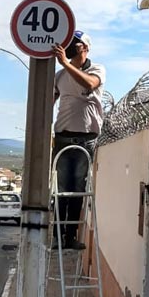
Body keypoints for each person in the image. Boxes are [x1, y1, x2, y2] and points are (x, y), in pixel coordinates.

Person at [51, 30, 106, 250]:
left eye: (77, 43)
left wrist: (65, 62)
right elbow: (50, 99)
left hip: (86, 139)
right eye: (70, 43)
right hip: (63, 136)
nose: (73, 46)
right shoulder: (60, 75)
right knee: (61, 189)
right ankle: (57, 237)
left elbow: (89, 84)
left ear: (86, 47)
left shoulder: (97, 69)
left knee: (77, 189)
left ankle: (71, 236)